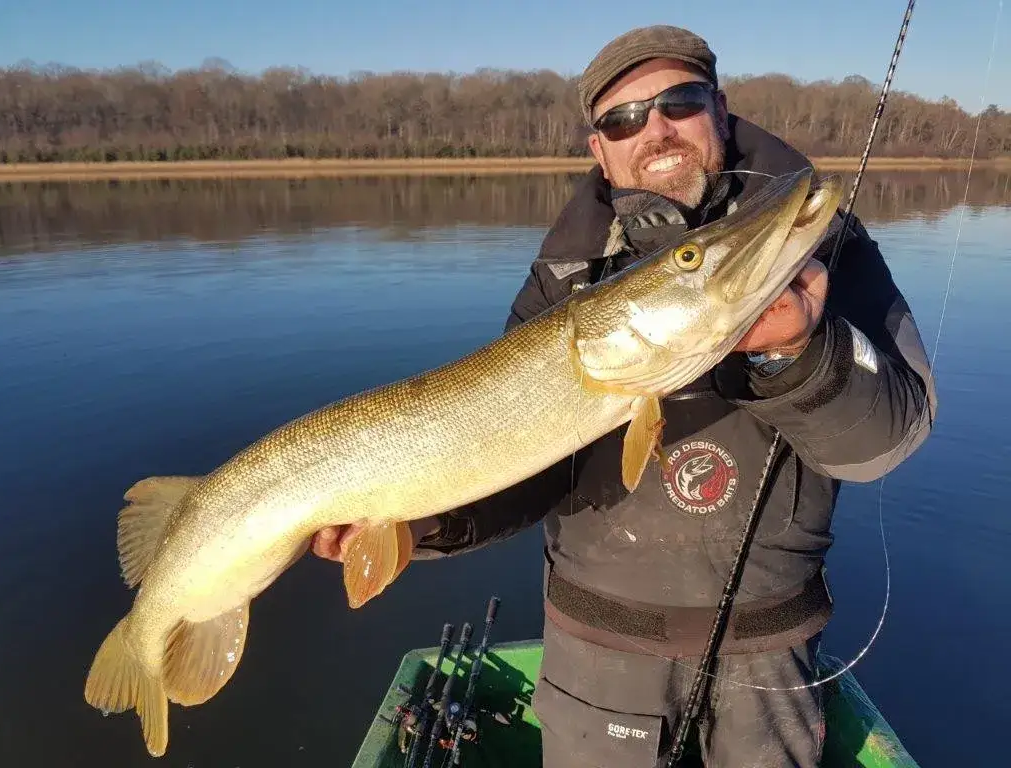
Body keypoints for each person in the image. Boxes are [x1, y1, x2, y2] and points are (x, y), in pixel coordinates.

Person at [313, 25, 937, 768]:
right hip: (599, 657)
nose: (657, 129)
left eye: (679, 101)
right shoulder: (563, 277)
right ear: (598, 148)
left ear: (720, 108)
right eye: (623, 118)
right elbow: (527, 461)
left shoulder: (819, 244)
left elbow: (886, 438)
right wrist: (421, 526)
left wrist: (799, 350)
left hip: (768, 660)